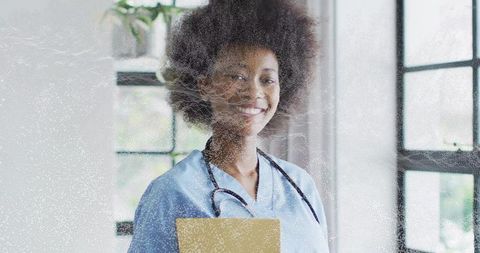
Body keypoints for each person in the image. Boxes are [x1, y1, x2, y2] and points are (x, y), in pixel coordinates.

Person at [128, 0, 329, 252]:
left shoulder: (299, 186)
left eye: (267, 79)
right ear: (204, 85)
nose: (255, 91)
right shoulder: (173, 192)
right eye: (237, 76)